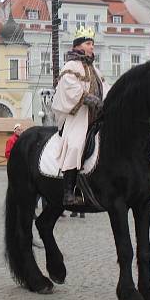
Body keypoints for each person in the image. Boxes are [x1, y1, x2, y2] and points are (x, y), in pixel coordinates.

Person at [51, 26, 108, 205]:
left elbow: (106, 89)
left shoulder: (96, 71)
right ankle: (68, 192)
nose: (92, 47)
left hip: (97, 117)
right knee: (75, 145)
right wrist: (88, 98)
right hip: (79, 116)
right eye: (89, 43)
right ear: (78, 46)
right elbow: (69, 88)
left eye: (92, 43)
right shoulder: (71, 66)